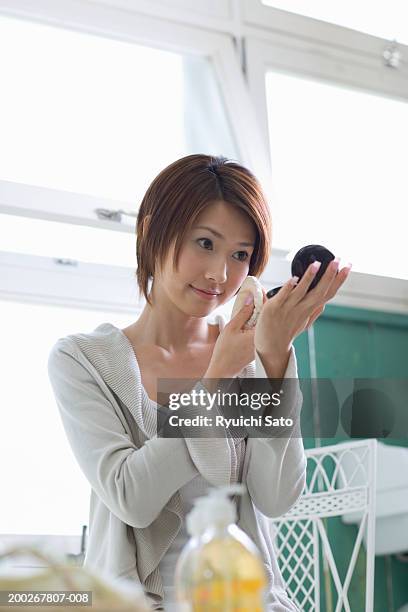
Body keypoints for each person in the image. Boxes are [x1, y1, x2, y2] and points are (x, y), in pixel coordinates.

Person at [47, 154, 352, 611]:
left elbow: (277, 496)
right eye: (204, 243)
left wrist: (274, 361)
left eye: (240, 256)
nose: (220, 275)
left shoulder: (250, 356)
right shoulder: (83, 360)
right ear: (152, 231)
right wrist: (215, 380)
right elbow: (131, 496)